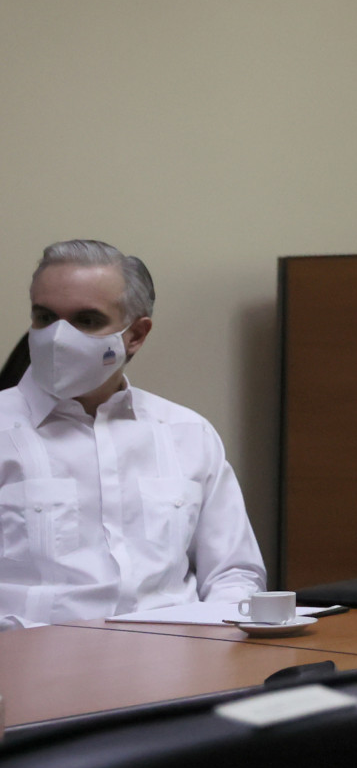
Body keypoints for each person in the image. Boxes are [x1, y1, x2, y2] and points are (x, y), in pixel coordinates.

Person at [0, 240, 265, 629]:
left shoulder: (187, 433)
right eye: (45, 317)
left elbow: (233, 573)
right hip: (32, 656)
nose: (57, 337)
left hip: (175, 653)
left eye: (86, 320)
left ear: (136, 335)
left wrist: (218, 644)